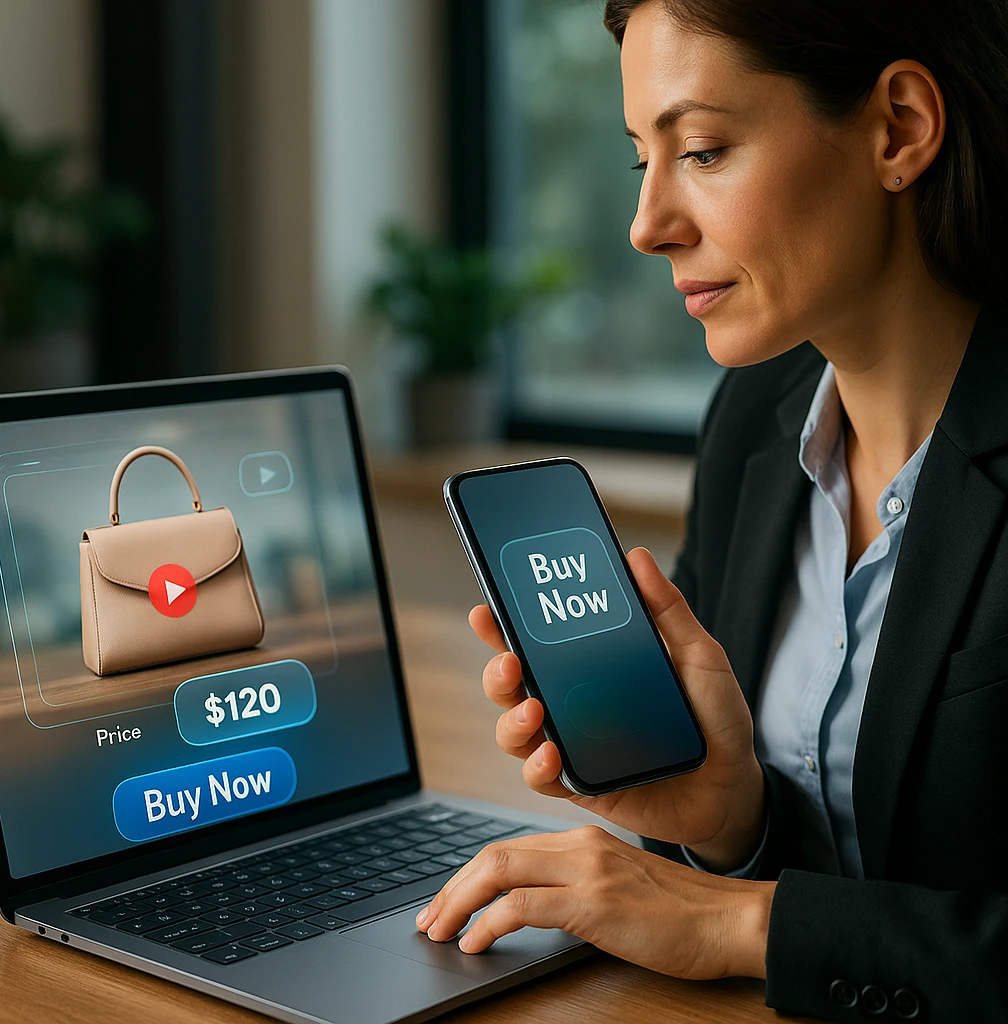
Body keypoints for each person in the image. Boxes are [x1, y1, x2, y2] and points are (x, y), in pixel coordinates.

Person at [416, 0, 1008, 1019]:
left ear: (899, 128)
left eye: (702, 149)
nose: (647, 224)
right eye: (640, 158)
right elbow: (846, 860)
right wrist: (728, 822)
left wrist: (734, 919)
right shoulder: (752, 419)